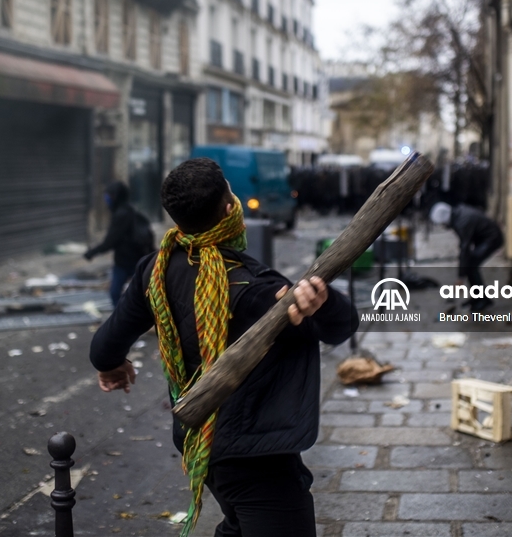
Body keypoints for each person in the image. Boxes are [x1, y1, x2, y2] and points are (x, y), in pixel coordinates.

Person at [90, 158, 357, 537]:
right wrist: (325, 301)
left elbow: (103, 347)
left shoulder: (155, 269)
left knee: (237, 523)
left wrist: (112, 365)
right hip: (257, 459)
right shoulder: (258, 289)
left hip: (201, 445)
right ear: (231, 209)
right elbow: (341, 327)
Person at [84, 181, 152, 309]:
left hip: (126, 262)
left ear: (115, 197)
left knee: (116, 293)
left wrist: (91, 252)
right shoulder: (132, 211)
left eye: (108, 196)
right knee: (139, 293)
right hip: (137, 260)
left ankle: (124, 322)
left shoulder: (122, 215)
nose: (106, 200)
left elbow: (110, 241)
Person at [430, 201, 505, 311]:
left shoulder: (462, 222)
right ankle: (477, 297)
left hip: (492, 239)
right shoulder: (459, 215)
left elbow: (465, 249)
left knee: (471, 266)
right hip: (486, 238)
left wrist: (460, 277)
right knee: (470, 265)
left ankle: (483, 299)